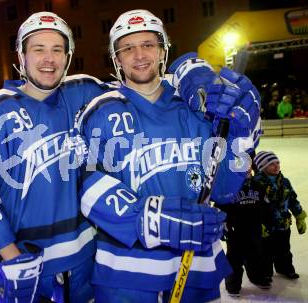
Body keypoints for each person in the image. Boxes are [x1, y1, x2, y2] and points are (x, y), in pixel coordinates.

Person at [75, 9, 261, 303]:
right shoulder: (99, 112)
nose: (139, 55)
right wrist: (149, 220)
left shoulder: (197, 105)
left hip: (196, 269)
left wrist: (241, 135)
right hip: (126, 277)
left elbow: (224, 189)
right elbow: (85, 186)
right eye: (128, 48)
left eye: (148, 44)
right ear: (117, 57)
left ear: (163, 49)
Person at [0, 12, 113, 303]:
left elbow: (142, 94)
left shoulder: (85, 93)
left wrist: (192, 77)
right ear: (22, 55)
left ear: (68, 56)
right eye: (38, 49)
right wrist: (12, 258)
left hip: (86, 264)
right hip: (25, 266)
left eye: (57, 50)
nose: (48, 59)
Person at [216, 164, 270, 297]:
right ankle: (233, 286)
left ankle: (257, 277)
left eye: (247, 167)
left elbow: (266, 207)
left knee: (256, 255)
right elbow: (219, 209)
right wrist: (223, 226)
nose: (245, 170)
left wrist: (266, 223)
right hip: (235, 231)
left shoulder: (258, 186)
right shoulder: (227, 188)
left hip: (254, 229)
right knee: (234, 260)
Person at [253, 151, 306, 280]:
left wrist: (299, 216)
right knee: (265, 252)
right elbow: (253, 207)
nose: (276, 166)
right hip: (266, 226)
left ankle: (285, 268)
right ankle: (265, 273)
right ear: (262, 167)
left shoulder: (284, 181)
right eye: (271, 164)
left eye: (277, 162)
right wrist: (258, 224)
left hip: (283, 224)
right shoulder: (256, 183)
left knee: (284, 250)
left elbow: (292, 199)